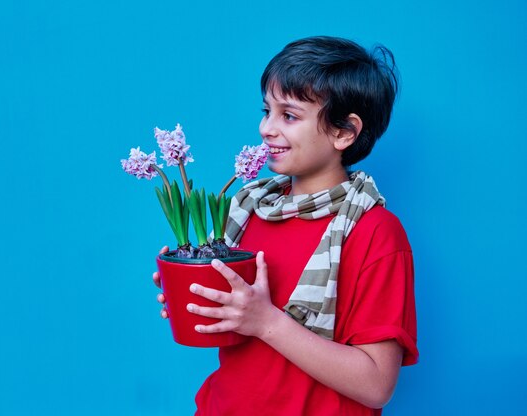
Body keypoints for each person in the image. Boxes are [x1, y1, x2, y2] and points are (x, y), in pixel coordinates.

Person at [152, 36, 418, 415]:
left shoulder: (374, 232)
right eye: (267, 111)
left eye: (289, 116)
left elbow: (376, 386)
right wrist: (198, 295)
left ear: (344, 132)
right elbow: (237, 331)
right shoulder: (248, 213)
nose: (266, 128)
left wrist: (266, 322)